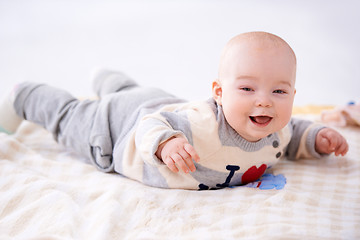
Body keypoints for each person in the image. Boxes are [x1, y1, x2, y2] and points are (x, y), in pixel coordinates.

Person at [0, 31, 348, 190]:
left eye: (279, 91)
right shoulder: (200, 121)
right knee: (69, 116)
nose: (264, 101)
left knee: (132, 92)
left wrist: (318, 138)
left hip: (153, 97)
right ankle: (24, 95)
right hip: (117, 129)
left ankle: (110, 80)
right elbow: (152, 123)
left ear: (292, 94)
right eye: (246, 88)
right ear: (219, 94)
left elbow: (293, 135)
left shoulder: (277, 126)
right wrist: (165, 144)